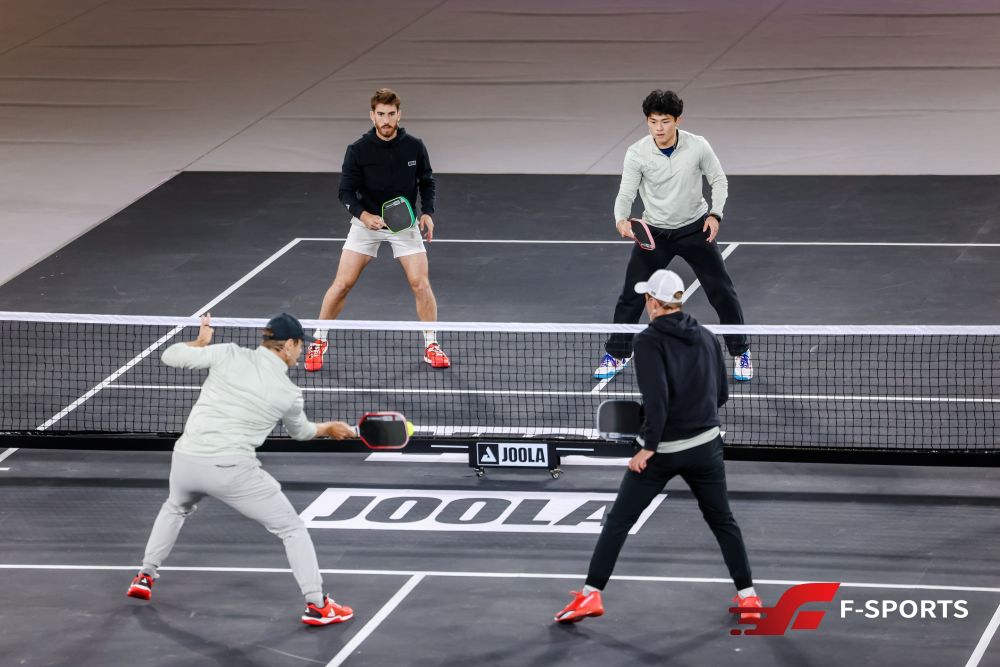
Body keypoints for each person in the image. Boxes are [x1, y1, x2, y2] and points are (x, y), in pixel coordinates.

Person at [125, 313, 358, 627]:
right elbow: (301, 433)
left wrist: (201, 341)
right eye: (301, 345)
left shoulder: (228, 353)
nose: (301, 351)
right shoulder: (288, 393)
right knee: (291, 529)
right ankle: (318, 605)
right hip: (231, 470)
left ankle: (145, 575)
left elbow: (171, 355)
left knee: (175, 507)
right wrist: (328, 428)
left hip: (186, 460)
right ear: (290, 344)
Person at [556, 270, 761, 624]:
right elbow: (721, 394)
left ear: (653, 302)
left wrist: (648, 448)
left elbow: (657, 400)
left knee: (619, 520)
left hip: (662, 452)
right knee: (722, 521)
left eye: (646, 298)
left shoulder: (649, 341)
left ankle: (590, 595)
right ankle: (749, 597)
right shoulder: (707, 336)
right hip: (706, 447)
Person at [594, 89, 752, 383]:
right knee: (631, 295)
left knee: (722, 292)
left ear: (677, 120)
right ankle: (618, 353)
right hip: (655, 235)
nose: (659, 128)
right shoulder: (637, 152)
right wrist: (620, 219)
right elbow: (626, 192)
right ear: (647, 121)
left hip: (695, 229)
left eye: (665, 121)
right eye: (653, 121)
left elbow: (718, 180)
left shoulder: (697, 146)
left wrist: (715, 214)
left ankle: (740, 350)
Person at [307, 87, 449, 371]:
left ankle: (431, 345)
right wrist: (363, 215)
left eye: (391, 114)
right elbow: (345, 192)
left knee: (421, 284)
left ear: (399, 115)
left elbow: (427, 181)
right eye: (381, 114)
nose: (386, 120)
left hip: (403, 223)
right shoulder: (358, 150)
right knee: (342, 284)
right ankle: (319, 341)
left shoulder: (414, 146)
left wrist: (427, 212)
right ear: (372, 116)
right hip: (367, 224)